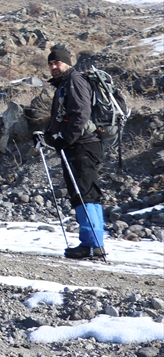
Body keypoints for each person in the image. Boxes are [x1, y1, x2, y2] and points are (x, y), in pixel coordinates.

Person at [45, 46, 106, 260]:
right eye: (51, 63)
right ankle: (94, 243)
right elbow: (64, 116)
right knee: (86, 193)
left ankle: (91, 244)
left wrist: (65, 139)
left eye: (57, 62)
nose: (53, 66)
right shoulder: (65, 83)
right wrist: (47, 135)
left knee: (84, 194)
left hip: (83, 145)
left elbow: (80, 114)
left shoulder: (75, 81)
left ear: (67, 62)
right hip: (80, 145)